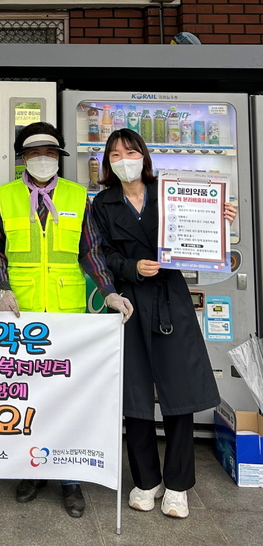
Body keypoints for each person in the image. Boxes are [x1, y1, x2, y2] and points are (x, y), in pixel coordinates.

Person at [0, 122, 133, 518]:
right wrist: (1, 287)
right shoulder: (6, 196)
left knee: (67, 397)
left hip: (67, 317)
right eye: (34, 154)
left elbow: (91, 252)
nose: (43, 159)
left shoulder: (78, 196)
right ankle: (32, 471)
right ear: (24, 159)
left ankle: (70, 480)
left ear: (59, 158)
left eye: (49, 153)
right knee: (27, 396)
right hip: (22, 316)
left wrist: (109, 292)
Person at [91, 128, 236, 519]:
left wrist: (219, 217)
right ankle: (146, 480)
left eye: (130, 150)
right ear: (108, 162)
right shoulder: (102, 203)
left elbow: (199, 235)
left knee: (180, 395)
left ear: (144, 155)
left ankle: (177, 485)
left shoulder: (169, 191)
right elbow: (99, 255)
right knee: (134, 394)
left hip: (172, 298)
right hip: (129, 301)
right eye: (115, 153)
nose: (124, 158)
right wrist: (130, 268)